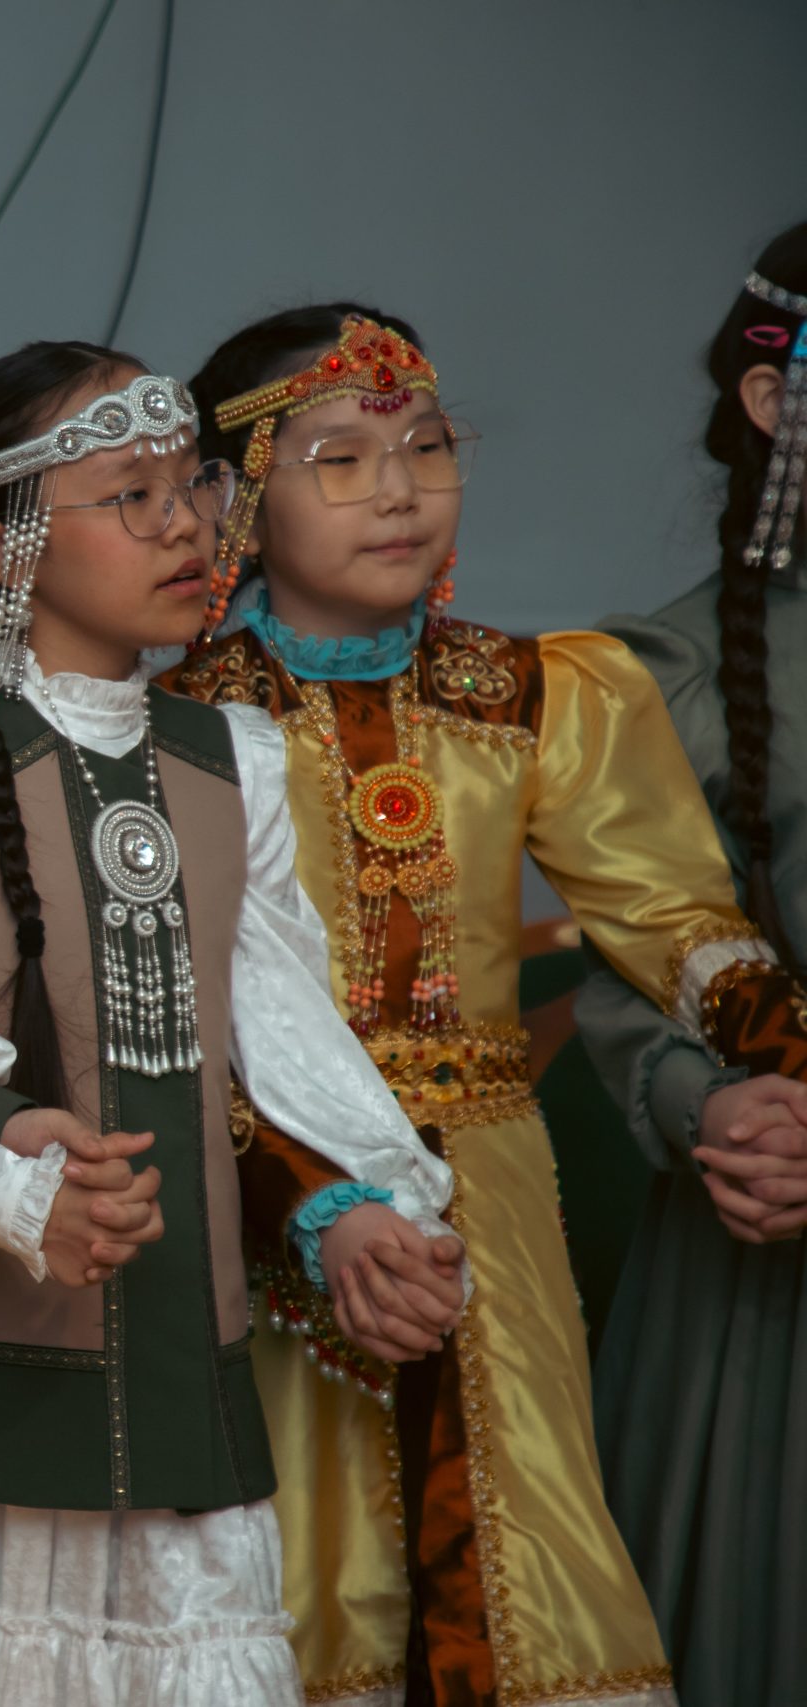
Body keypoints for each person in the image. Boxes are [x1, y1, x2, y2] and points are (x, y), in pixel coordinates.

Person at [0, 341, 461, 1706]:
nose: (184, 527)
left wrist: (378, 1201)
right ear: (1, 546)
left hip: (170, 1352)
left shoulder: (232, 763)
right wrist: (7, 1176)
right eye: (130, 497)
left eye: (193, 487)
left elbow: (290, 1034)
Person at [159, 303, 807, 1705]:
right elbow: (180, 1032)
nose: (397, 489)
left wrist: (786, 1059)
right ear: (235, 502)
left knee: (526, 1560)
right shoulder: (182, 732)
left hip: (491, 1210)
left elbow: (678, 926)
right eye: (340, 457)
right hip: (272, 1204)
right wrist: (312, 1205)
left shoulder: (536, 695)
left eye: (427, 445)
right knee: (305, 1566)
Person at [572, 220, 807, 1707]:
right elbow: (635, 967)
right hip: (767, 1243)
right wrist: (714, 1106)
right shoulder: (674, 673)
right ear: (777, 402)